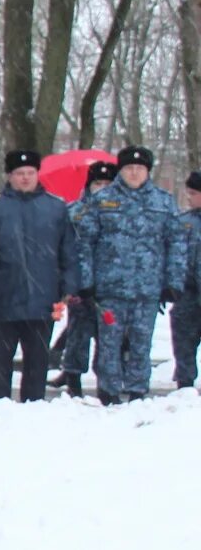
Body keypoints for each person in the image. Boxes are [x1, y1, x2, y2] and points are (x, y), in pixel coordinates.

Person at [0, 150, 78, 403]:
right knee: (1, 361)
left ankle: (33, 408)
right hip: (3, 296)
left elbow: (68, 252)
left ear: (38, 174)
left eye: (30, 173)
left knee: (38, 361)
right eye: (19, 173)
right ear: (10, 176)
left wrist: (70, 286)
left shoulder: (56, 208)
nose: (25, 178)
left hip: (44, 298)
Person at [79, 145, 179, 403]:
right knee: (109, 344)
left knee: (141, 343)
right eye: (129, 168)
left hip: (147, 289)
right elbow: (85, 243)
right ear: (121, 171)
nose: (134, 173)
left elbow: (175, 244)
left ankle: (137, 390)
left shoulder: (163, 202)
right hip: (110, 289)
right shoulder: (102, 201)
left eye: (139, 168)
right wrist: (86, 281)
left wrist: (172, 282)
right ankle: (109, 391)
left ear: (147, 171)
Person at [51, 159, 117, 397]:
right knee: (78, 335)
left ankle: (107, 384)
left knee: (109, 339)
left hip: (112, 286)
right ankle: (73, 380)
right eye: (98, 183)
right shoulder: (74, 211)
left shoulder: (121, 213)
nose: (102, 188)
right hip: (80, 286)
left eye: (108, 183)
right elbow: (64, 250)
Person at [173, 172, 201, 390]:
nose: (189, 197)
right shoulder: (183, 223)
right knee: (184, 345)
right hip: (187, 295)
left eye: (193, 193)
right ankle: (184, 387)